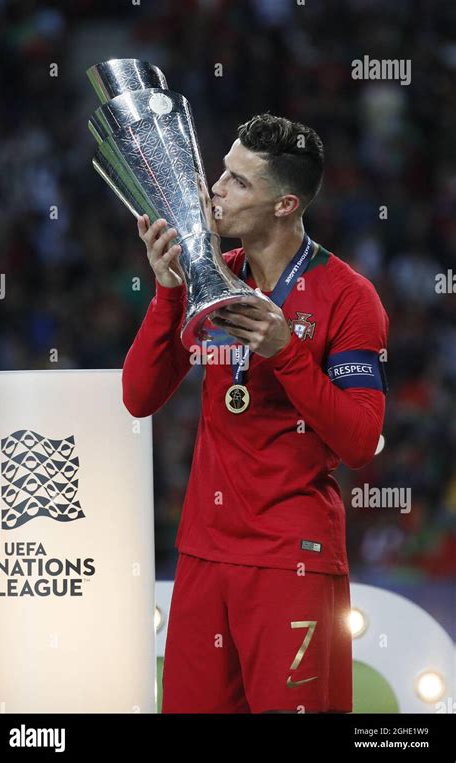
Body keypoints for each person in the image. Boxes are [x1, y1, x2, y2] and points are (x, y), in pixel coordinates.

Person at [122, 113, 389, 713]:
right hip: (203, 553)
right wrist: (168, 290)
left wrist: (286, 354)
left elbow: (359, 441)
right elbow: (139, 397)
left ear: (284, 204)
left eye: (240, 182)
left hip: (290, 560)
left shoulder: (348, 297)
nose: (214, 188)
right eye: (222, 171)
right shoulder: (214, 279)